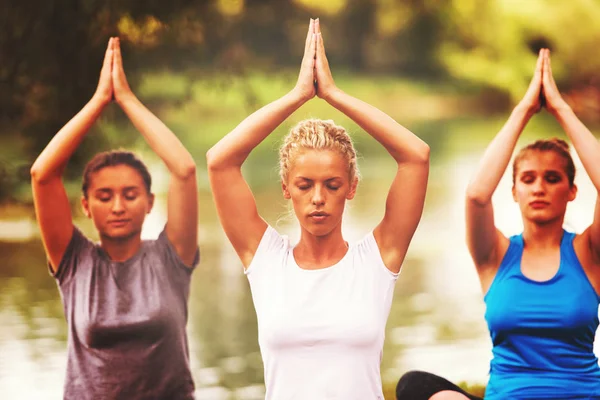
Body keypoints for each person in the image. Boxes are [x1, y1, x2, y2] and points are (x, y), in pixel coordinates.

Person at [207, 18, 429, 399]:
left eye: (332, 185)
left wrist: (333, 94)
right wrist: (297, 95)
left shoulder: (377, 260)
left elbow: (416, 157)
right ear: (286, 189)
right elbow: (219, 162)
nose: (317, 198)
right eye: (304, 185)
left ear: (351, 188)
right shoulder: (265, 261)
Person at [396, 49, 600, 399]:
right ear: (514, 191)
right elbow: (476, 195)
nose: (539, 187)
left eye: (552, 178)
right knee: (415, 386)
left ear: (571, 191)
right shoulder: (494, 254)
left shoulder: (588, 253)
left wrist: (560, 108)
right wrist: (523, 110)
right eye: (529, 178)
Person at [30, 37, 199, 400]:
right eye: (105, 197)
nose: (118, 206)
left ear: (151, 202)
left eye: (130, 194)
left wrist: (126, 98)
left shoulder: (172, 258)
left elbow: (184, 169)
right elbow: (43, 174)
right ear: (86, 206)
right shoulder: (74, 261)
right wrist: (98, 102)